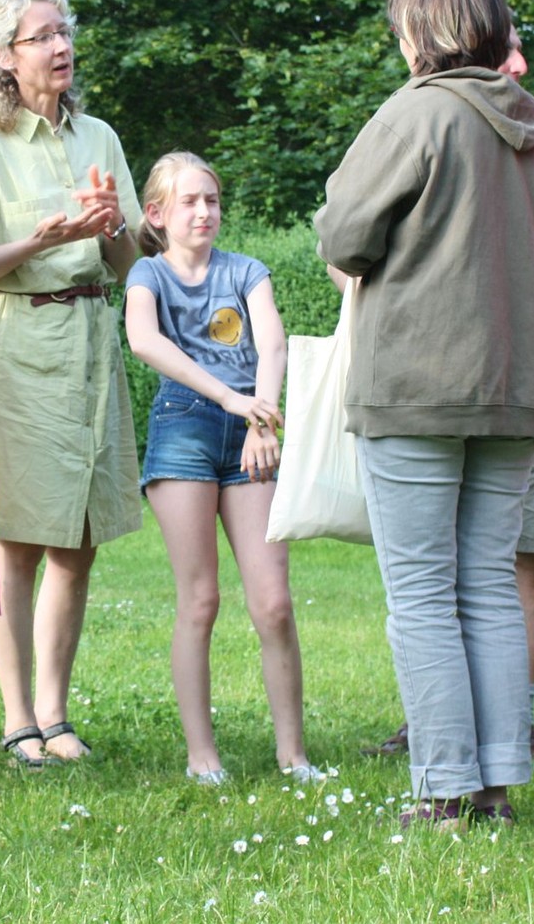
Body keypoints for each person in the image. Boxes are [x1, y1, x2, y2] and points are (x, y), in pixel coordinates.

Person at [317, 0, 534, 830]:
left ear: (422, 33)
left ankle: (442, 789)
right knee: (488, 586)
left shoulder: (413, 112)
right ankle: (493, 785)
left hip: (419, 385)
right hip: (516, 386)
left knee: (422, 592)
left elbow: (343, 235)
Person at [359, 28, 534, 761]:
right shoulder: (456, 130)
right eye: (506, 50)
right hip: (511, 384)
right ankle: (481, 753)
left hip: (460, 381)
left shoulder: (532, 143)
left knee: (494, 567)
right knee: (470, 576)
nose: (519, 65)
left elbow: (345, 237)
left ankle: (478, 749)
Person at [0, 0, 142, 768]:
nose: (59, 46)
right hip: (20, 346)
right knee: (18, 540)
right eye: (40, 36)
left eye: (63, 31)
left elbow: (131, 262)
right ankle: (16, 715)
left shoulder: (99, 137)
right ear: (3, 56)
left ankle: (57, 713)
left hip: (94, 341)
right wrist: (43, 236)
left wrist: (114, 225)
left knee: (80, 539)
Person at [123, 151, 321, 785]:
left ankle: (293, 756)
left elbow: (274, 342)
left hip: (252, 432)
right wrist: (231, 398)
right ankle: (201, 757)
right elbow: (144, 341)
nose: (204, 211)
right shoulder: (147, 274)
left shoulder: (246, 271)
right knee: (200, 599)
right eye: (189, 201)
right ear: (157, 214)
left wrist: (260, 421)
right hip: (184, 428)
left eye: (211, 199)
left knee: (274, 603)